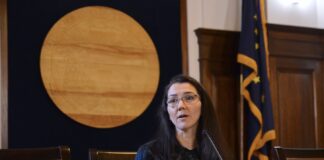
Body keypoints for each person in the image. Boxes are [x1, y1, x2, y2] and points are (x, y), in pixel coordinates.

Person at [135, 74, 224, 160]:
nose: (181, 106)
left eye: (189, 98)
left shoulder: (216, 151)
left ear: (203, 105)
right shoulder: (150, 153)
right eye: (173, 100)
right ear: (167, 111)